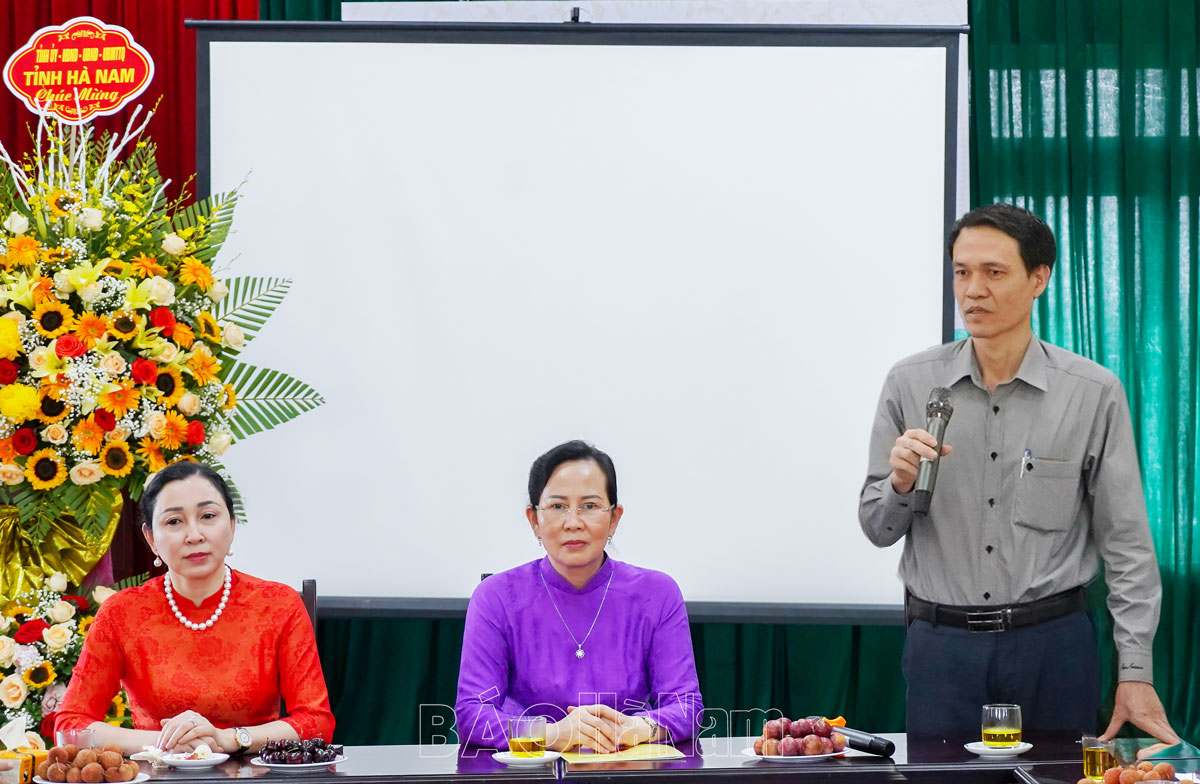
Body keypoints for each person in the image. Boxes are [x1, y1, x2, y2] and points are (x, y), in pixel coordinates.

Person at [859, 203, 1178, 742]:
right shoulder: (910, 383)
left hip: (1052, 647)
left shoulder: (1091, 392)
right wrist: (900, 484)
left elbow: (1127, 546)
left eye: (994, 272)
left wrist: (1135, 672)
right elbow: (876, 527)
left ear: (1039, 279)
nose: (973, 290)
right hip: (942, 650)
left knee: (1056, 777)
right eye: (962, 272)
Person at [56, 462, 335, 754]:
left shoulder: (278, 604)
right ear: (151, 538)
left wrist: (229, 739)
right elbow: (71, 724)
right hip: (159, 769)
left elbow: (316, 722)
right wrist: (167, 743)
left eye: (208, 516)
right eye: (174, 521)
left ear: (232, 525)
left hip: (253, 769)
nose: (194, 535)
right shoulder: (122, 612)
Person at [454, 440, 703, 752]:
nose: (573, 522)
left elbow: (687, 707)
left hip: (626, 766)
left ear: (614, 519)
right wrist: (552, 733)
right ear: (534, 520)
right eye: (558, 507)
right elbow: (472, 715)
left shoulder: (657, 593)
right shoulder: (497, 597)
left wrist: (638, 728)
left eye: (590, 506)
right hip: (530, 770)